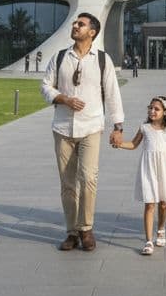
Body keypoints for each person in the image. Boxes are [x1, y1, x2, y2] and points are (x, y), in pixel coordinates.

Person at [39, 13, 125, 252]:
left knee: (88, 178)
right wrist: (62, 98)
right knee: (67, 184)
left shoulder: (102, 60)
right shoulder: (59, 58)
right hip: (63, 128)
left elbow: (112, 93)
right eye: (75, 23)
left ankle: (86, 228)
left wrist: (118, 126)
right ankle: (71, 231)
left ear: (92, 32)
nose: (75, 26)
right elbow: (45, 85)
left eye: (81, 24)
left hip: (91, 127)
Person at [113, 95, 166, 255]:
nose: (152, 111)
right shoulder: (144, 128)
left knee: (164, 203)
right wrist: (119, 144)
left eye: (156, 109)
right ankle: (148, 241)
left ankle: (161, 228)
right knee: (150, 203)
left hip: (165, 169)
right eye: (150, 108)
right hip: (149, 169)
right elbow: (133, 144)